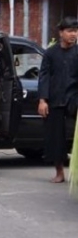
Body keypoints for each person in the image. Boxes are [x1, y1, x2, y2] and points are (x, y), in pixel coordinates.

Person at [37, 17, 78, 184]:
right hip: (55, 98)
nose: (73, 34)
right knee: (55, 137)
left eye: (76, 31)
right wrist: (42, 100)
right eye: (70, 31)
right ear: (61, 33)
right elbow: (44, 76)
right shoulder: (50, 53)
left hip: (74, 98)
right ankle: (59, 172)